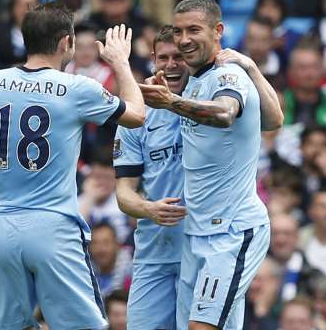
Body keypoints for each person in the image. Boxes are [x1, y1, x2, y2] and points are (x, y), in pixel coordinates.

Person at [0, 1, 146, 329]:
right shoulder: (77, 88)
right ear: (66, 42)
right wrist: (120, 62)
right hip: (54, 227)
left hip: (0, 227)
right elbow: (137, 115)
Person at [115, 23, 283, 329]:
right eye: (162, 58)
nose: (170, 65)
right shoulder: (139, 114)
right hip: (155, 249)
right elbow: (123, 194)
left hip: (211, 244)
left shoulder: (214, 93)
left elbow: (273, 120)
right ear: (153, 59)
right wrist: (148, 208)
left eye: (178, 57)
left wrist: (251, 68)